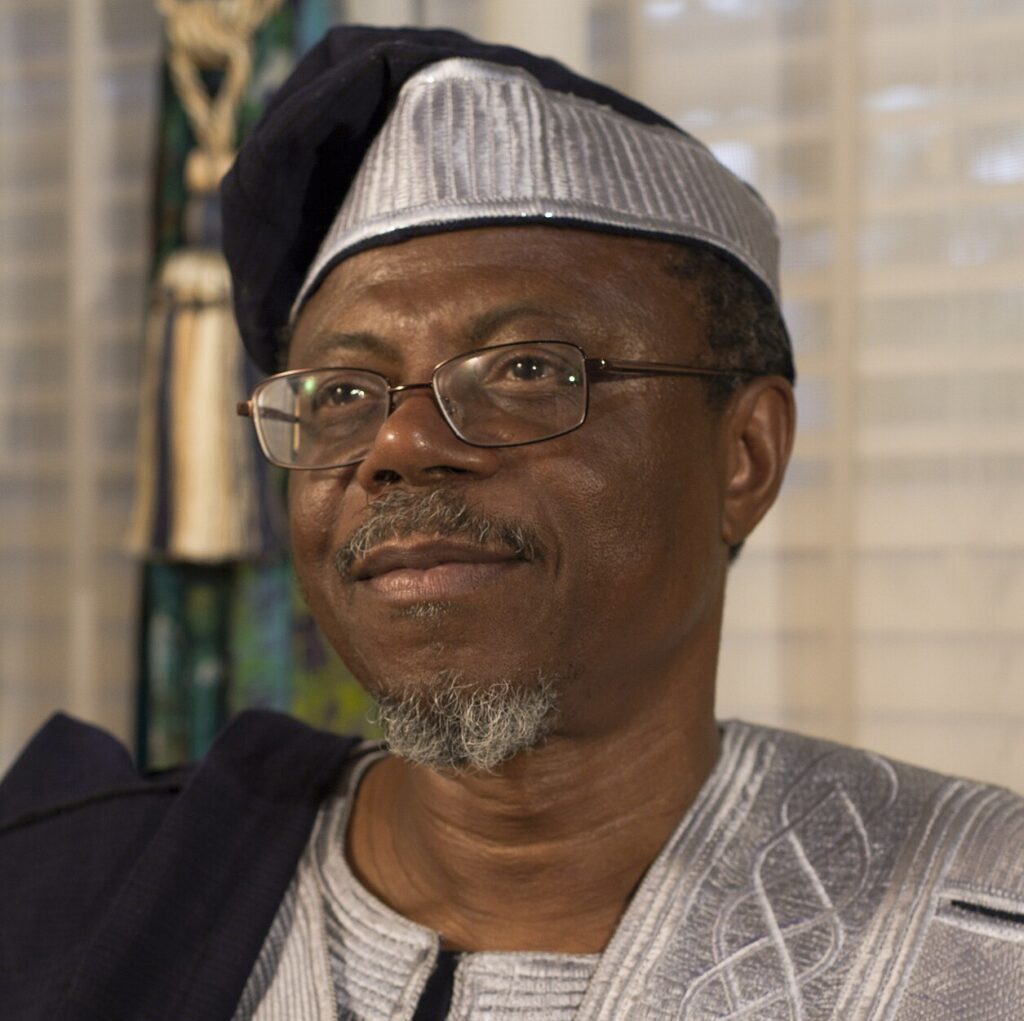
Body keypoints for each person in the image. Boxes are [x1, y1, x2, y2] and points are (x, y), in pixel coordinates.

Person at [1, 25, 1021, 1021]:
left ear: (744, 454)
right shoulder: (69, 892)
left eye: (526, 370)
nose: (398, 444)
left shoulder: (988, 933)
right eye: (342, 393)